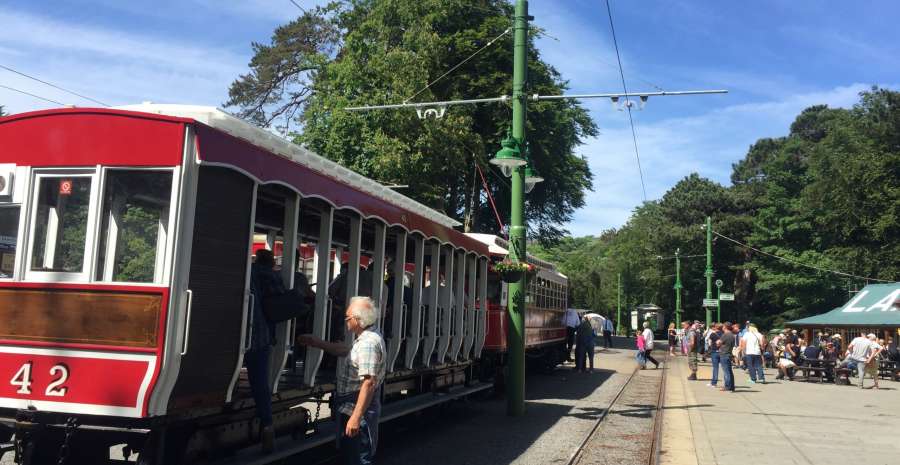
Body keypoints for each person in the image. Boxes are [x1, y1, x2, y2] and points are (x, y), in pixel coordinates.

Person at [297, 297, 386, 465]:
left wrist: (356, 417)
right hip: (353, 404)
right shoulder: (367, 337)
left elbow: (369, 383)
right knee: (354, 455)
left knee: (358, 457)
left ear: (359, 320)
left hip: (356, 406)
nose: (345, 320)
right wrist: (318, 343)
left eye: (348, 317)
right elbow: (347, 351)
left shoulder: (368, 343)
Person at [248, 249, 284, 452]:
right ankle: (267, 424)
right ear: (271, 262)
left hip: (237, 329)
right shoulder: (271, 275)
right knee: (260, 380)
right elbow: (279, 299)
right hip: (259, 331)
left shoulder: (249, 271)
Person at [717, 322, 736, 392]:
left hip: (724, 354)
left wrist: (718, 342)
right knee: (729, 371)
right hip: (729, 353)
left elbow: (718, 343)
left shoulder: (725, 335)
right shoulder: (732, 335)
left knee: (726, 371)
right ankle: (732, 386)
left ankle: (727, 386)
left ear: (725, 327)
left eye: (723, 326)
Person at [706, 323, 722, 388]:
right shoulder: (724, 334)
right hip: (722, 352)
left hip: (714, 352)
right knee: (725, 368)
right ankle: (727, 383)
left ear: (715, 327)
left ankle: (714, 383)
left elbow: (709, 343)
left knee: (715, 368)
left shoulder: (713, 334)